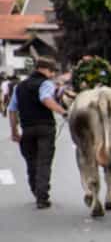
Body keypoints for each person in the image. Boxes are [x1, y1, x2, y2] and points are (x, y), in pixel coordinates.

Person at [7, 57, 67, 209]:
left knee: (31, 162)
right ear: (44, 69)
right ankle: (42, 197)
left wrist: (14, 131)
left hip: (27, 128)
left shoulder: (19, 86)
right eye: (52, 71)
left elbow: (12, 110)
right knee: (44, 162)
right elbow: (45, 98)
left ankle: (35, 190)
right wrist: (63, 112)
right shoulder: (46, 83)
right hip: (45, 127)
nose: (53, 74)